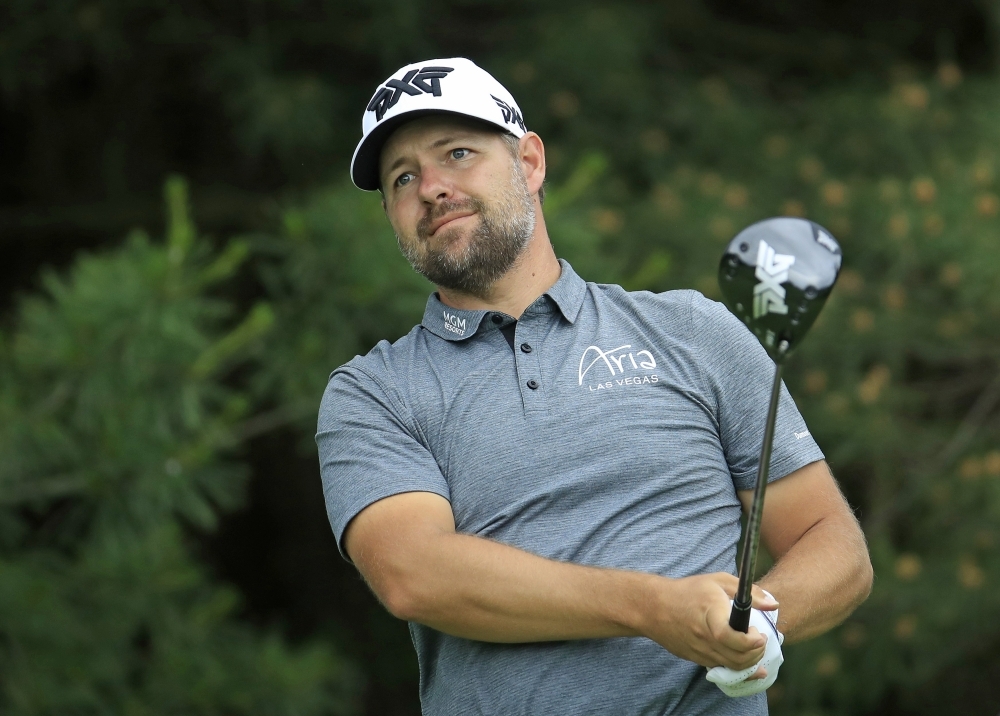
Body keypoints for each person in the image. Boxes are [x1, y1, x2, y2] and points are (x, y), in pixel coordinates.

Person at [316, 57, 872, 715]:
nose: (432, 187)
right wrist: (653, 608)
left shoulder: (690, 330)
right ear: (392, 214)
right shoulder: (374, 392)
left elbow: (833, 546)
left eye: (458, 153)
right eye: (403, 177)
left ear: (529, 163)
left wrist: (766, 626)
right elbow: (415, 575)